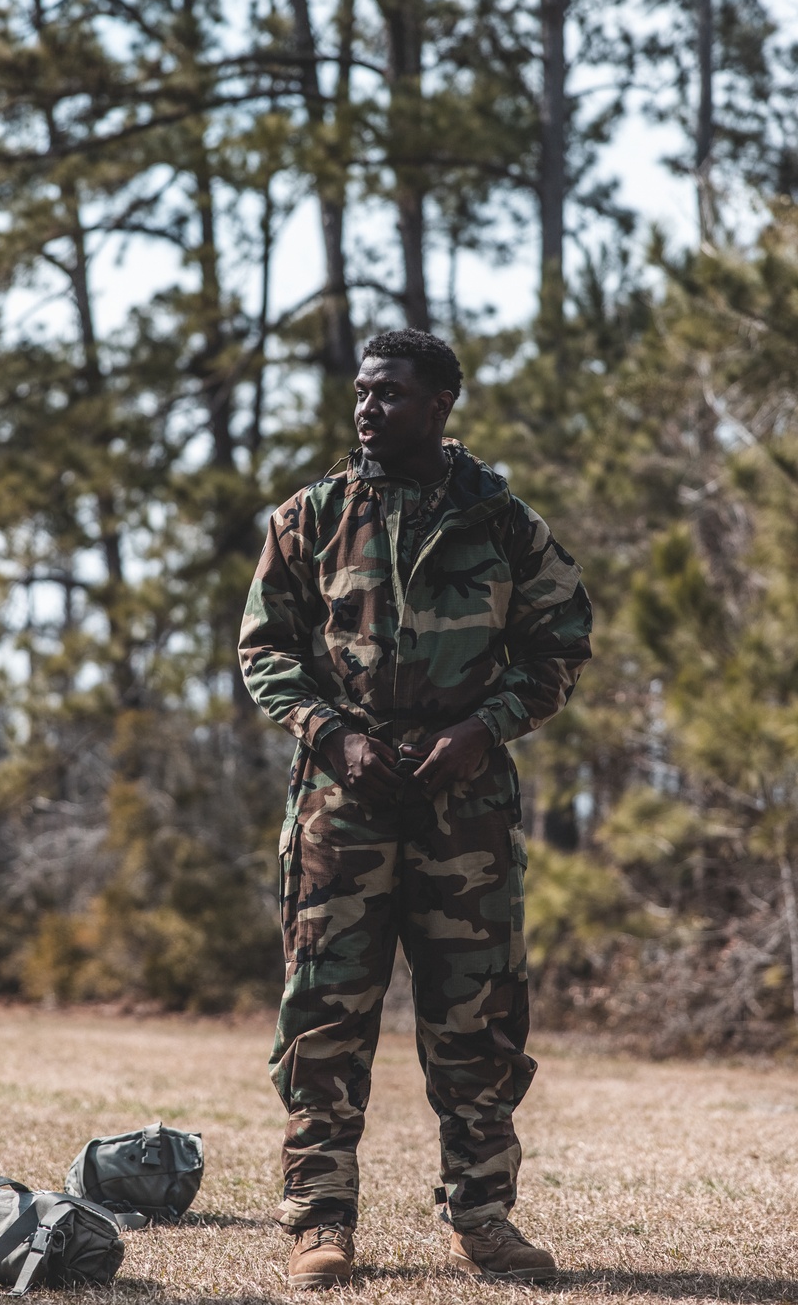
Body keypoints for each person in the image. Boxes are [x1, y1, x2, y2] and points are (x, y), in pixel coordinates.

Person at [238, 328, 592, 1289]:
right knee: (324, 1017)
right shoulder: (310, 516)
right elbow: (264, 649)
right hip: (340, 806)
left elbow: (562, 639)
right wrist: (332, 735)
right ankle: (319, 1224)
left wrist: (486, 727)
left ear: (439, 404)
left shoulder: (502, 522)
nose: (367, 407)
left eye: (390, 392)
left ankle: (482, 1220)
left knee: (477, 1023)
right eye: (362, 390)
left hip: (463, 807)